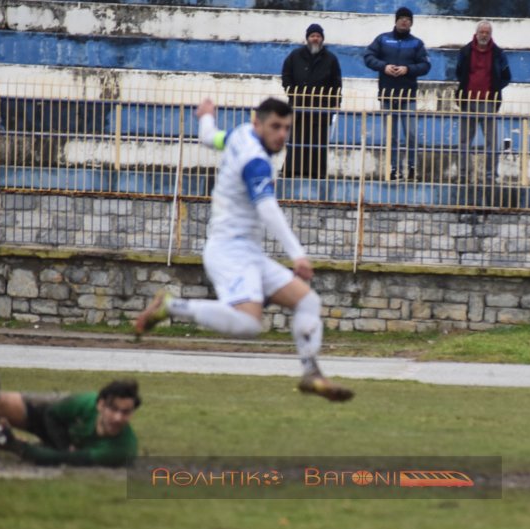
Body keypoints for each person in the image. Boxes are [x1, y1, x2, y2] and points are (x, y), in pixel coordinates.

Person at [134, 97, 354, 402]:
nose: (281, 135)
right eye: (275, 127)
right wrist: (297, 254)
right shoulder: (256, 160)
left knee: (308, 302)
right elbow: (266, 208)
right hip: (228, 251)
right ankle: (172, 306)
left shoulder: (239, 134)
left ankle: (311, 373)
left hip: (248, 252)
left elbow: (210, 138)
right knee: (249, 324)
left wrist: (206, 116)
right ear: (257, 123)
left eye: (286, 128)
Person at [0, 324, 139, 467]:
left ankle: (34, 443)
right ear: (100, 405)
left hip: (66, 439)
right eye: (114, 409)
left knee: (51, 454)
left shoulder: (122, 449)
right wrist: (62, 446)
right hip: (51, 413)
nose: (119, 417)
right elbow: (52, 417)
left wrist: (16, 446)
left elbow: (66, 460)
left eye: (126, 412)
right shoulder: (83, 404)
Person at [364, 7, 431, 181]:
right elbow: (368, 57)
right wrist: (384, 67)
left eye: (407, 19)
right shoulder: (383, 39)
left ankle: (411, 168)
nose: (404, 21)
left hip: (407, 96)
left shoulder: (417, 43)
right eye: (401, 18)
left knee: (411, 134)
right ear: (395, 20)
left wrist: (407, 69)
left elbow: (425, 66)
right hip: (387, 95)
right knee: (391, 136)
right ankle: (393, 169)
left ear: (411, 22)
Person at [281, 23, 343, 179]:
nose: (315, 39)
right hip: (299, 107)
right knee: (297, 141)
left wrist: (336, 102)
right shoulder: (295, 56)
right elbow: (286, 75)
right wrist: (292, 91)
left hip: (321, 109)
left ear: (322, 39)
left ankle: (316, 174)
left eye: (318, 36)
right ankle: (292, 172)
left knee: (318, 143)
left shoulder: (331, 59)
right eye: (312, 36)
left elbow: (336, 83)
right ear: (307, 38)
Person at [455, 20, 511, 186]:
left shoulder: (499, 53)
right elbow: (459, 72)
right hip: (467, 101)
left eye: (487, 32)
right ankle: (464, 176)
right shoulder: (465, 51)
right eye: (482, 32)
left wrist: (494, 89)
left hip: (488, 103)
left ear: (491, 34)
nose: (484, 35)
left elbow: (506, 76)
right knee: (464, 141)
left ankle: (490, 177)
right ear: (476, 33)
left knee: (491, 143)